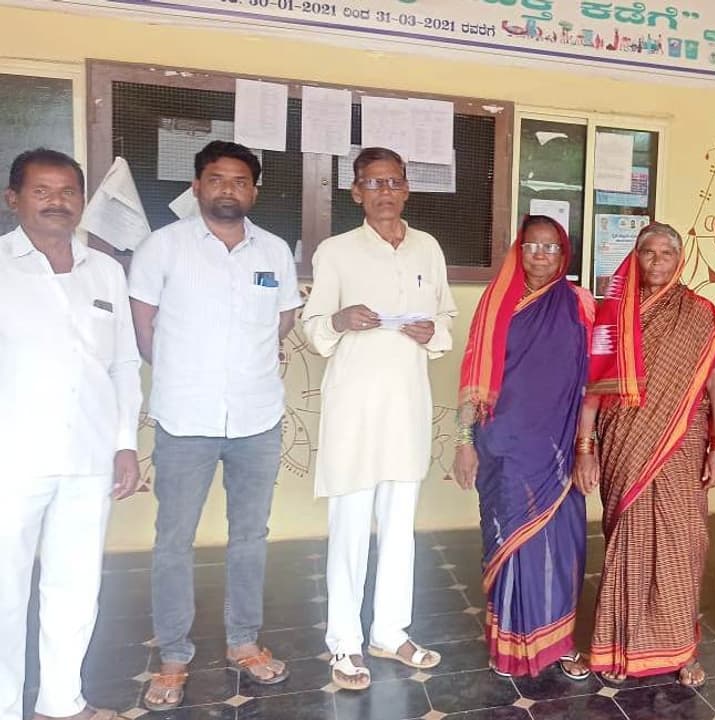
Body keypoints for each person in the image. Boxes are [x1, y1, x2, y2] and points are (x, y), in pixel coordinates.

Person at [130, 141, 300, 711]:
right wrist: (185, 373)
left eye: (240, 180)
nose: (229, 189)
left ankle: (243, 641)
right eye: (217, 179)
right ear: (197, 186)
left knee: (250, 536)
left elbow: (282, 321)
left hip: (257, 416)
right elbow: (143, 328)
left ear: (254, 190)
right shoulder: (163, 247)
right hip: (186, 419)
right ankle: (173, 655)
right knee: (173, 541)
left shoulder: (273, 251)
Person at [301, 147, 457, 690]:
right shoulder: (337, 252)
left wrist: (432, 332)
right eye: (373, 183)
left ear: (407, 189)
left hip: (406, 407)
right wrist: (340, 319)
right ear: (356, 192)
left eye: (392, 182)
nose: (384, 192)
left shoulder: (427, 248)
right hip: (353, 410)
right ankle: (344, 642)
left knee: (398, 527)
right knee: (349, 527)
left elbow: (445, 319)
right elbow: (313, 327)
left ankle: (390, 632)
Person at [0, 149, 142, 720]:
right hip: (13, 458)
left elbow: (124, 363)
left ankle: (61, 702)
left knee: (75, 587)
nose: (57, 202)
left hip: (89, 454)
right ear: (13, 199)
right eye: (42, 191)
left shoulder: (105, 271)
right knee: (5, 593)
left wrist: (125, 442)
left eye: (67, 192)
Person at [571, 222, 715, 687]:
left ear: (679, 260)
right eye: (649, 251)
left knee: (683, 547)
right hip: (624, 441)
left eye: (667, 252)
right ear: (636, 258)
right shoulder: (613, 315)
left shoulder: (700, 313)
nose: (658, 260)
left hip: (683, 444)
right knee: (627, 545)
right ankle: (615, 647)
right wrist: (585, 448)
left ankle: (682, 651)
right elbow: (593, 388)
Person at [450, 215, 595, 679]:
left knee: (562, 544)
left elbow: (593, 379)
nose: (541, 255)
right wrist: (463, 442)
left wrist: (587, 445)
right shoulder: (496, 303)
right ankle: (509, 645)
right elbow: (473, 379)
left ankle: (561, 644)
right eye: (532, 245)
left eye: (551, 247)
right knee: (511, 543)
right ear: (519, 249)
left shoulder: (580, 303)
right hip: (504, 448)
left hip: (558, 448)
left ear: (564, 254)